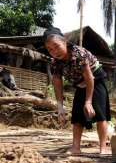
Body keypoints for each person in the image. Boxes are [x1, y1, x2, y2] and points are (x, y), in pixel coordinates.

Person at [43, 27, 111, 155]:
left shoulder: (78, 53)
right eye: (50, 49)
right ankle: (75, 147)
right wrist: (60, 107)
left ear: (64, 41)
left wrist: (89, 101)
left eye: (57, 46)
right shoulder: (55, 63)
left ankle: (103, 148)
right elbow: (57, 82)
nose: (54, 52)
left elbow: (89, 77)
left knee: (100, 114)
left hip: (95, 79)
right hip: (80, 84)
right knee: (77, 116)